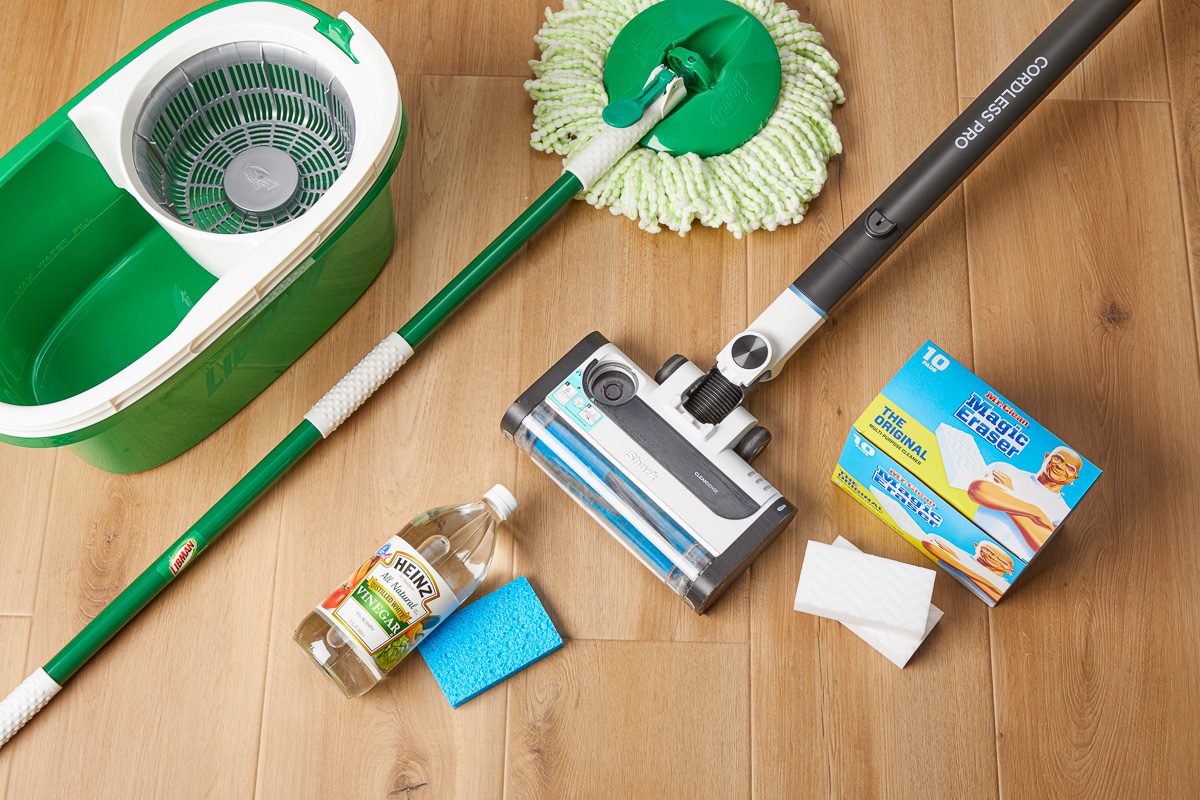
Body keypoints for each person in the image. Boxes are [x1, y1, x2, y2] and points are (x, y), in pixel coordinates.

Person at [967, 447, 1082, 561]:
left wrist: (1007, 496)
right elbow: (977, 490)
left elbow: (1042, 544)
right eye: (1058, 458)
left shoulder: (1064, 512)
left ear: (1073, 478)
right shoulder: (1007, 470)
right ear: (1047, 457)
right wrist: (1037, 513)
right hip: (970, 538)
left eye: (1070, 468)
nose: (1060, 466)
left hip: (1009, 561)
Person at [922, 536, 1014, 604]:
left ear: (1009, 571)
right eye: (987, 550)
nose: (992, 557)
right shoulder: (962, 555)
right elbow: (929, 541)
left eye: (1002, 561)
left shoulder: (1004, 585)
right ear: (976, 546)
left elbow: (999, 592)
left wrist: (962, 564)